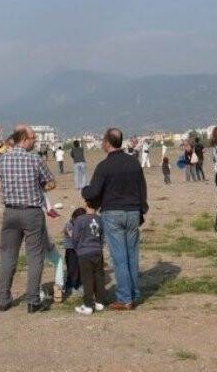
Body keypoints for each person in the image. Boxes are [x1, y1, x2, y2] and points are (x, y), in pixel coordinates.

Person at [82, 127, 148, 310]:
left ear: (107, 143)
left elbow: (94, 192)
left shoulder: (104, 166)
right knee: (132, 255)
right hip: (133, 212)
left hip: (113, 214)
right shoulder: (134, 163)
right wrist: (142, 210)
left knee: (119, 257)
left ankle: (125, 298)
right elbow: (142, 189)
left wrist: (85, 191)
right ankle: (134, 293)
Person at [0, 125, 55, 313]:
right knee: (35, 256)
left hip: (10, 212)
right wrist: (40, 186)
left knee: (7, 256)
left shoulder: (3, 159)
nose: (35, 141)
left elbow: (1, 183)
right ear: (24, 139)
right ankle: (32, 300)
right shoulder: (34, 159)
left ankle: (4, 299)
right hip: (31, 213)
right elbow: (51, 183)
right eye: (33, 138)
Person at [70, 204, 107, 315]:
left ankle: (88, 305)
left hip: (85, 252)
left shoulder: (80, 219)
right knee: (99, 276)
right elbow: (102, 236)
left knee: (87, 279)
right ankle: (100, 303)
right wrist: (99, 247)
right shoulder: (100, 219)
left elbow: (75, 237)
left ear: (86, 205)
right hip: (97, 252)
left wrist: (77, 249)